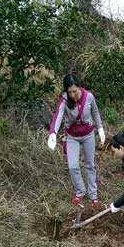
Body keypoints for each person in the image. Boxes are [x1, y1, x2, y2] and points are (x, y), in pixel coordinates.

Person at [47, 73, 105, 207]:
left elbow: (95, 113)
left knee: (90, 165)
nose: (73, 94)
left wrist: (100, 128)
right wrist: (53, 133)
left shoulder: (89, 97)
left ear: (79, 87)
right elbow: (58, 116)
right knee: (73, 166)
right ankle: (80, 191)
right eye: (70, 92)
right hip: (72, 137)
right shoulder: (64, 100)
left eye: (75, 91)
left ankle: (93, 195)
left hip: (88, 135)